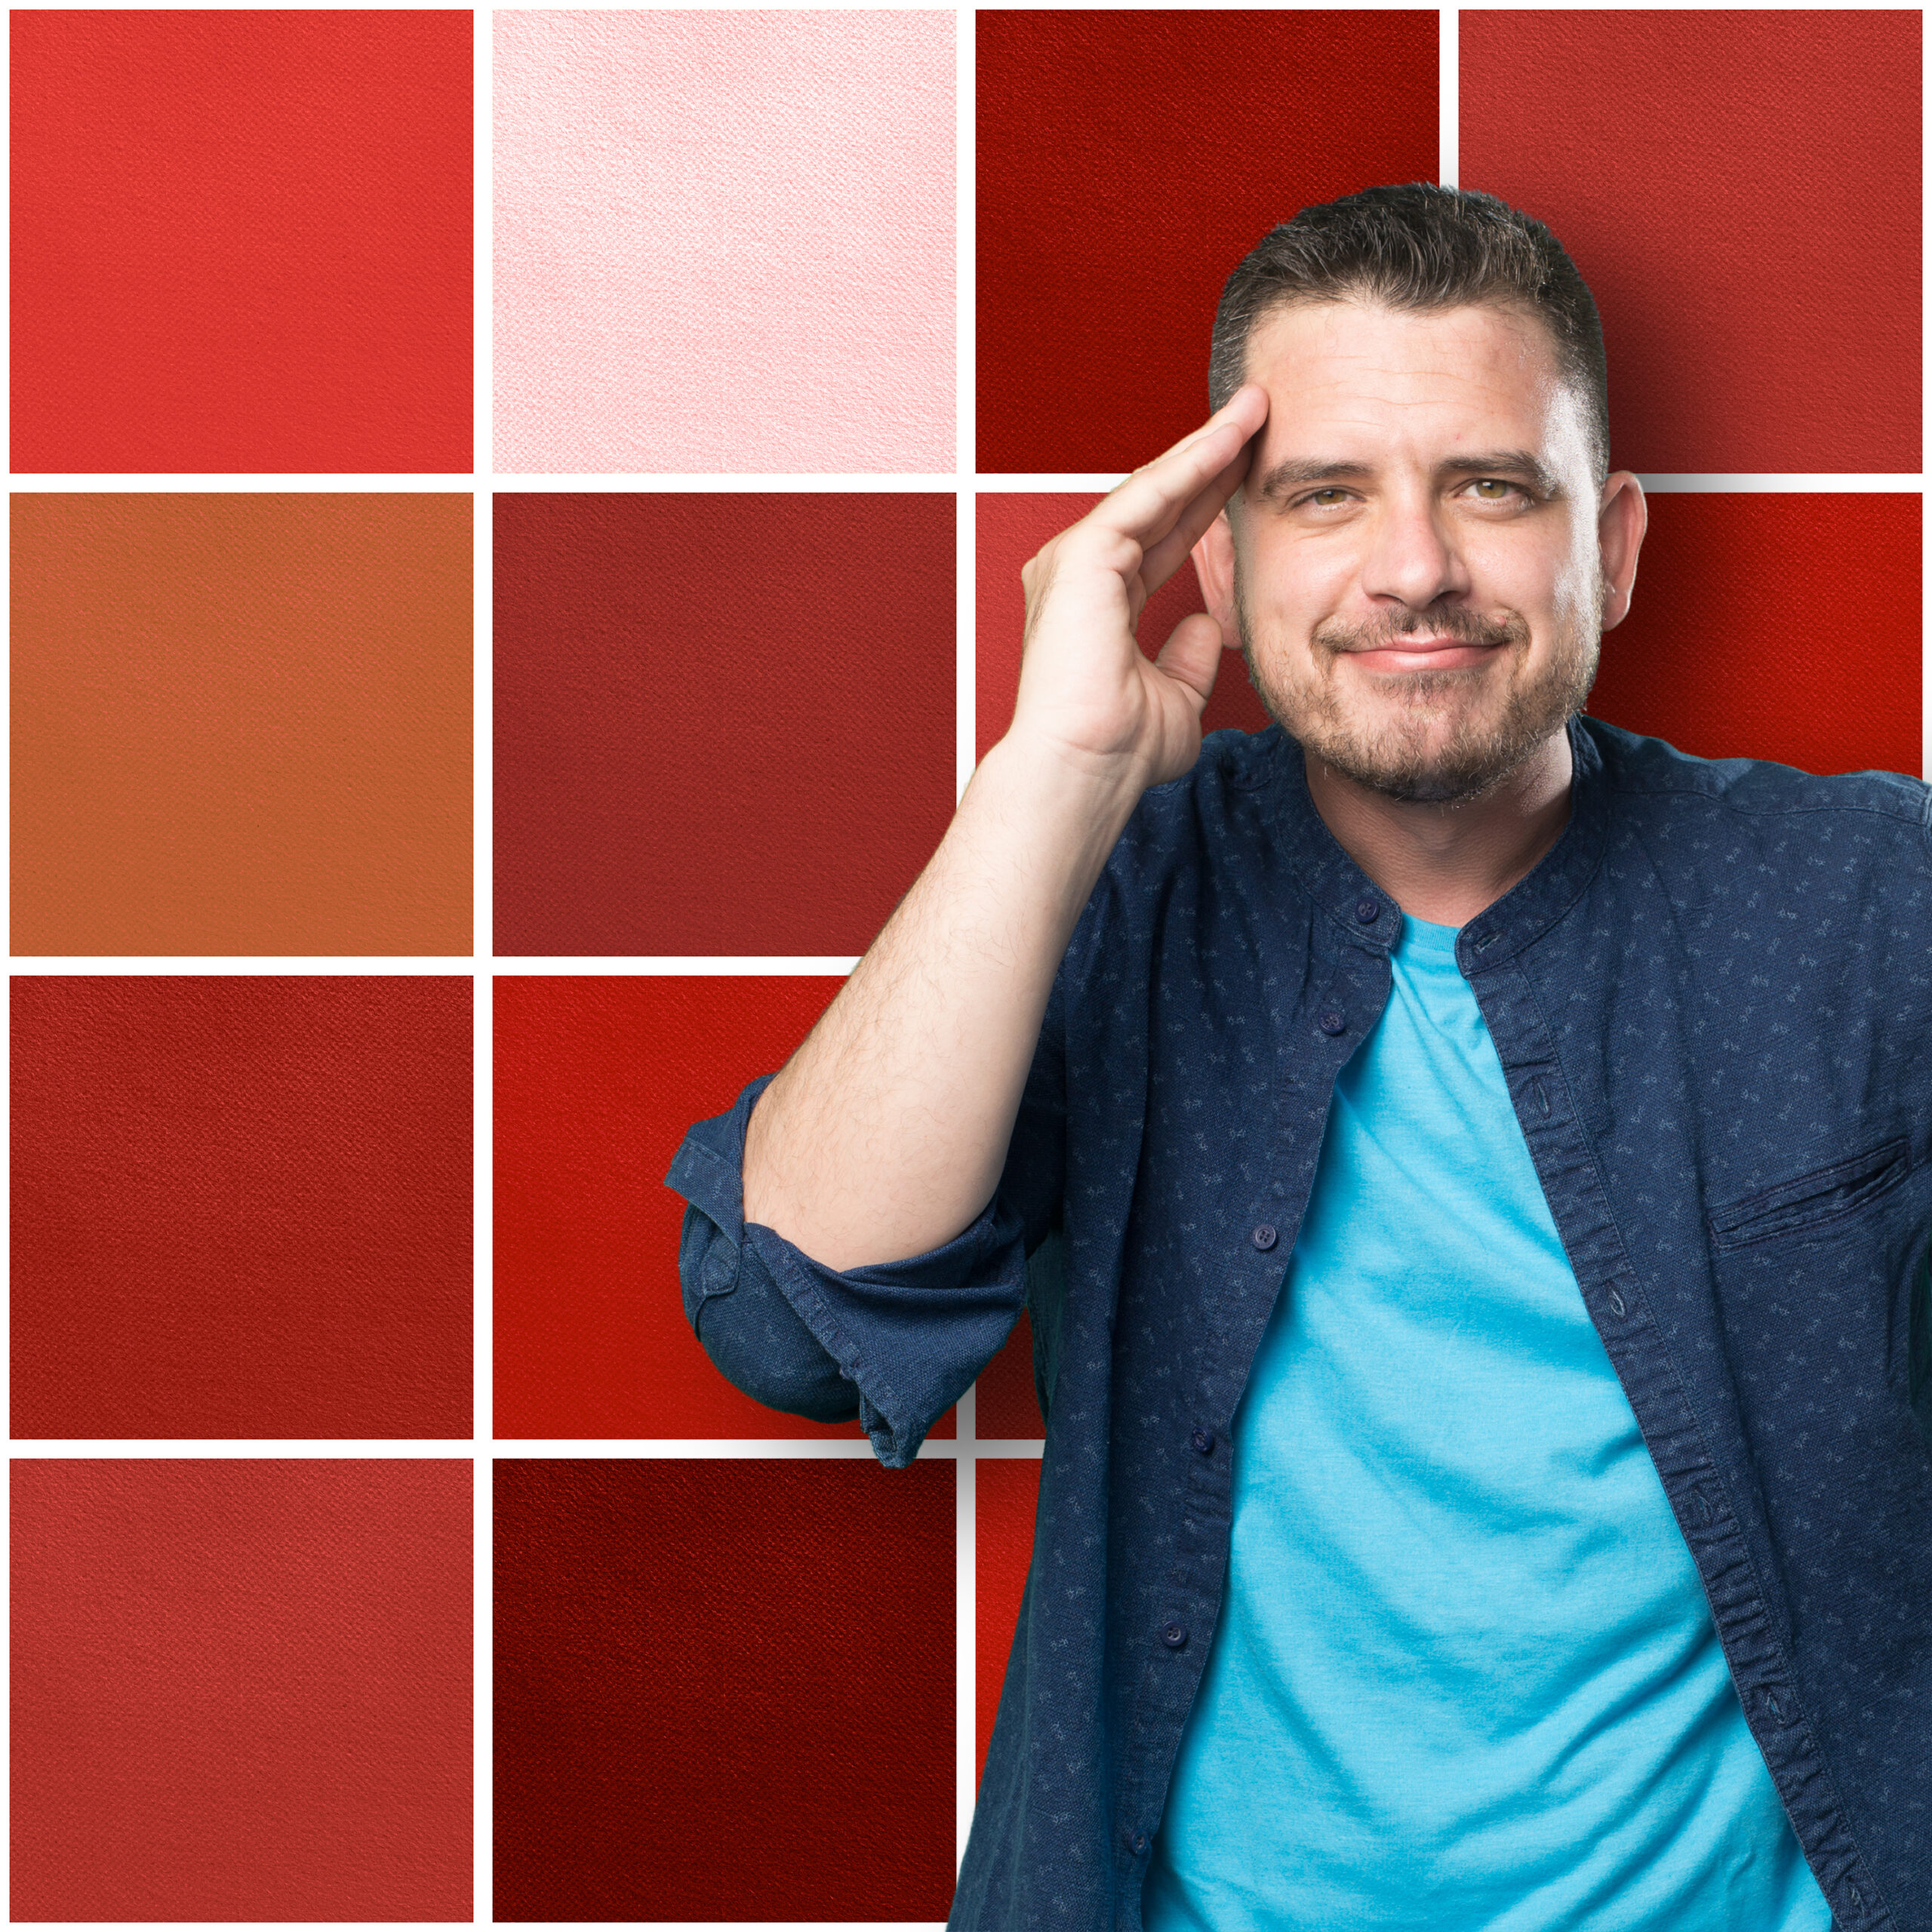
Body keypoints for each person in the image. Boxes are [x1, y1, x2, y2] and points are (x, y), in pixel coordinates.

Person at [666, 184, 1930, 1931]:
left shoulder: (1866, 894)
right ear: (1221, 561)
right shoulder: (1101, 891)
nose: (1411, 563)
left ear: (1615, 544)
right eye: (1321, 494)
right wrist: (1045, 773)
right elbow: (791, 1316)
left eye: (1489, 485)